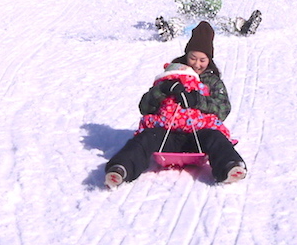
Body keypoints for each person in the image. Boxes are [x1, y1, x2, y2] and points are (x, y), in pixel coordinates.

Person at [103, 21, 246, 189]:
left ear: (209, 60)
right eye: (193, 58)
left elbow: (223, 110)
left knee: (216, 138)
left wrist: (197, 100)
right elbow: (144, 107)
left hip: (198, 137)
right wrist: (163, 90)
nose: (197, 64)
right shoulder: (172, 74)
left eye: (202, 60)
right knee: (146, 137)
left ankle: (230, 165)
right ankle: (121, 168)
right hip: (167, 135)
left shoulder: (212, 82)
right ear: (186, 55)